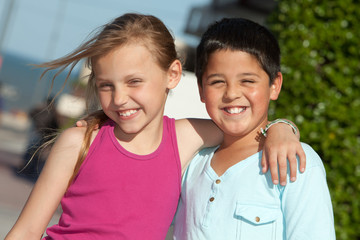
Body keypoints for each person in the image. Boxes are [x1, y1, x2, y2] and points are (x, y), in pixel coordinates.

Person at [5, 14, 305, 240]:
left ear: (173, 74)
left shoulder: (186, 137)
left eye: (134, 81)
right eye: (106, 85)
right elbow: (27, 230)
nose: (120, 99)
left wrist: (283, 128)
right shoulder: (78, 141)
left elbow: (246, 127)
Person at [173, 18, 335, 239]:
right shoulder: (190, 161)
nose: (231, 93)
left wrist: (282, 127)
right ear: (201, 89)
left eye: (247, 81)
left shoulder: (294, 160)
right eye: (217, 82)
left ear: (274, 85)